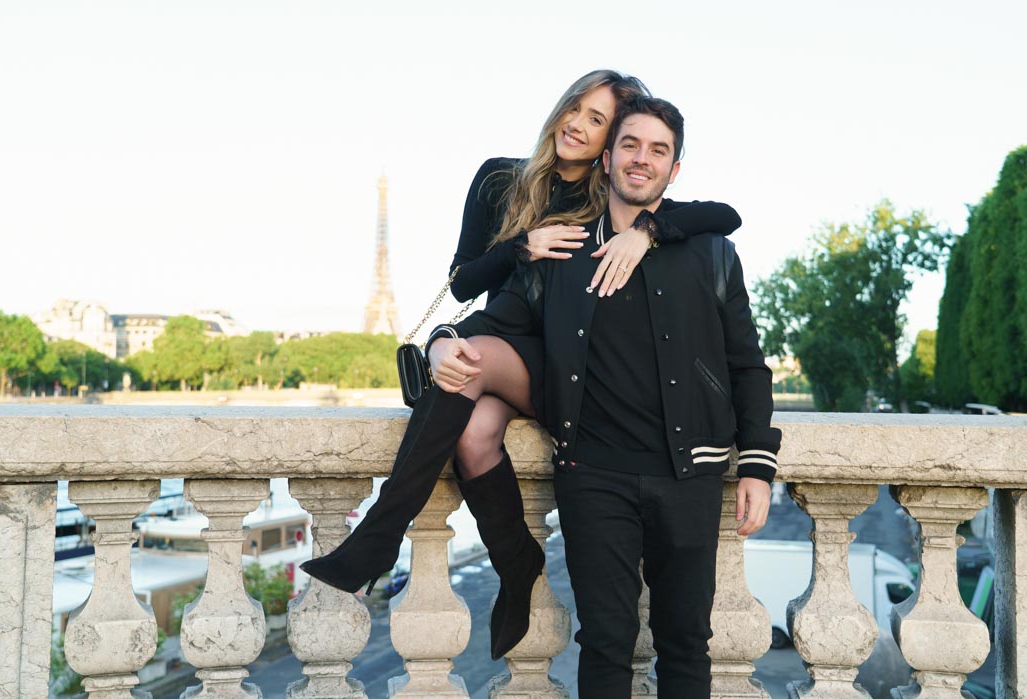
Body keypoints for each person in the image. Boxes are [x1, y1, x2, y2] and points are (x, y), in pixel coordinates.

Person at [301, 71, 741, 661]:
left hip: (564, 358)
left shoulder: (607, 201)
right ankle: (516, 563)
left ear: (611, 146)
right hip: (501, 337)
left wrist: (649, 231)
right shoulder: (499, 179)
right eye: (576, 107)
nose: (578, 125)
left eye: (598, 120)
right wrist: (519, 247)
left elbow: (720, 215)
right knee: (476, 433)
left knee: (468, 362)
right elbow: (462, 282)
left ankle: (379, 540)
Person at [425, 96, 781, 698]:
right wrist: (441, 342)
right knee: (607, 643)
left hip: (690, 474)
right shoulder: (562, 250)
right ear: (608, 158)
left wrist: (757, 465)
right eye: (631, 145)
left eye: (659, 150)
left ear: (675, 169)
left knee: (686, 643)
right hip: (594, 476)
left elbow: (746, 364)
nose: (643, 160)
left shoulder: (712, 253)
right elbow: (498, 319)